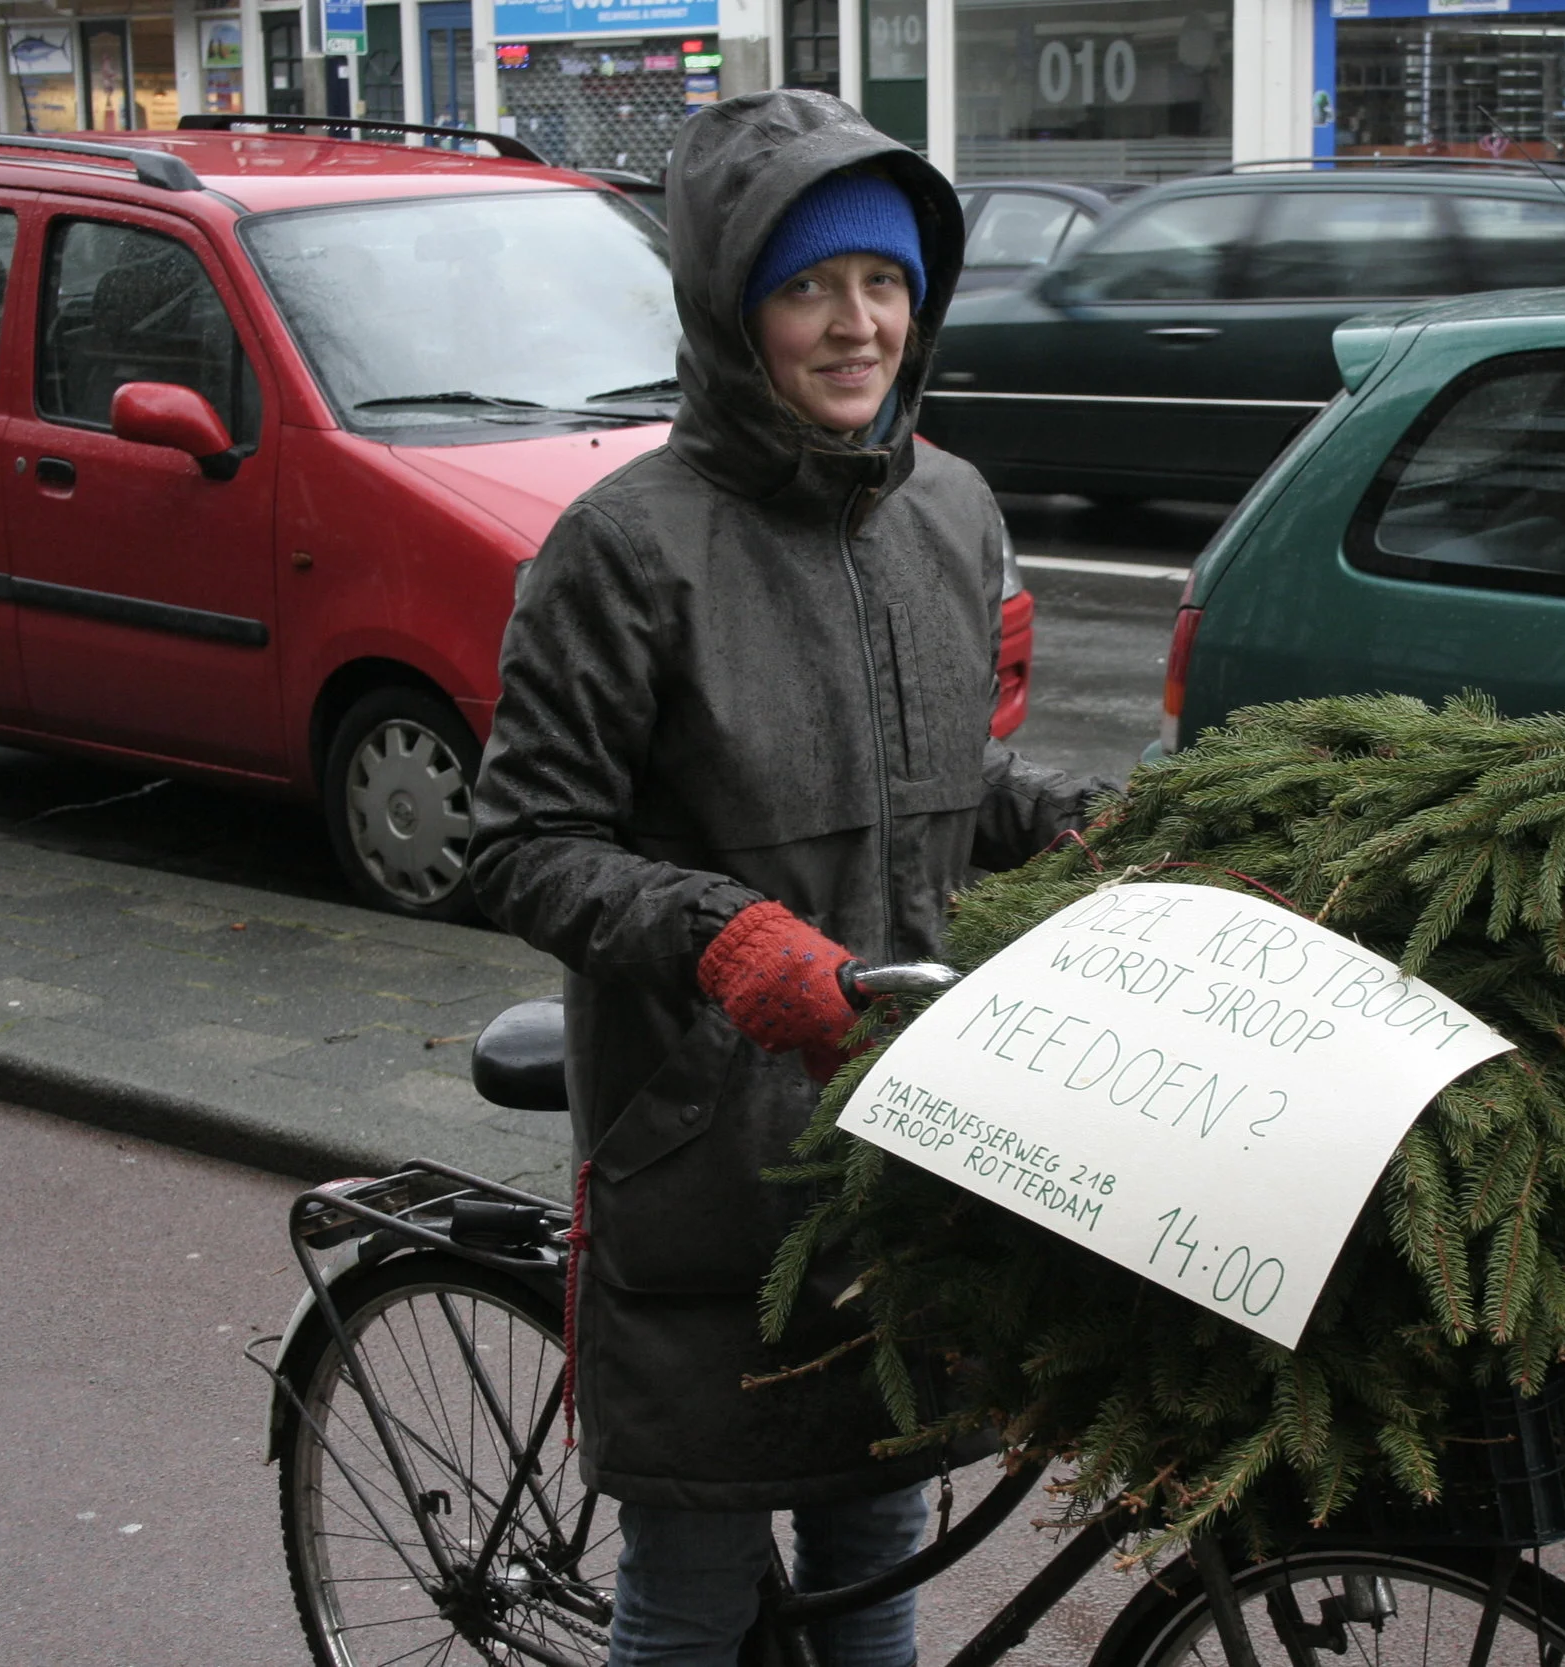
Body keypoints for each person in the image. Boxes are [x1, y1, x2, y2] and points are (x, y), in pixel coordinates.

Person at [467, 91, 1106, 1667]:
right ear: (732, 307)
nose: (857, 324)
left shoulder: (948, 507)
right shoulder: (625, 546)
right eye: (811, 286)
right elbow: (520, 841)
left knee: (874, 1552)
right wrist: (722, 934)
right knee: (688, 1602)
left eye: (885, 283)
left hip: (904, 1140)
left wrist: (1082, 830)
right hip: (708, 1157)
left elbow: (948, 786)